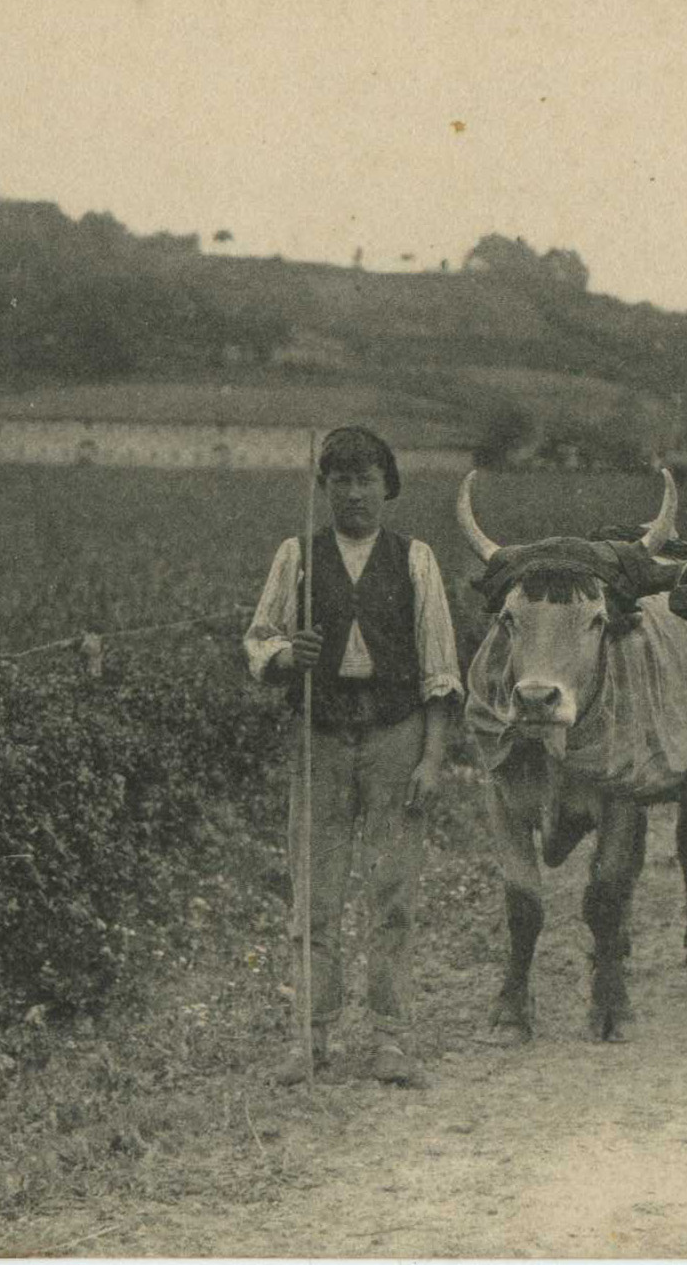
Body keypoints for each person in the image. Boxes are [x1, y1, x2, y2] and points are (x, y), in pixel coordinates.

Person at [243, 425, 462, 1088]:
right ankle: (309, 1040)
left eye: (366, 479)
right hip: (320, 739)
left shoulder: (414, 559)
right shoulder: (296, 556)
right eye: (340, 480)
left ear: (386, 487)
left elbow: (440, 668)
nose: (354, 493)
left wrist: (431, 760)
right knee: (315, 893)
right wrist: (287, 657)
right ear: (325, 489)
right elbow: (257, 639)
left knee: (392, 892)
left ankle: (390, 1040)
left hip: (394, 736)